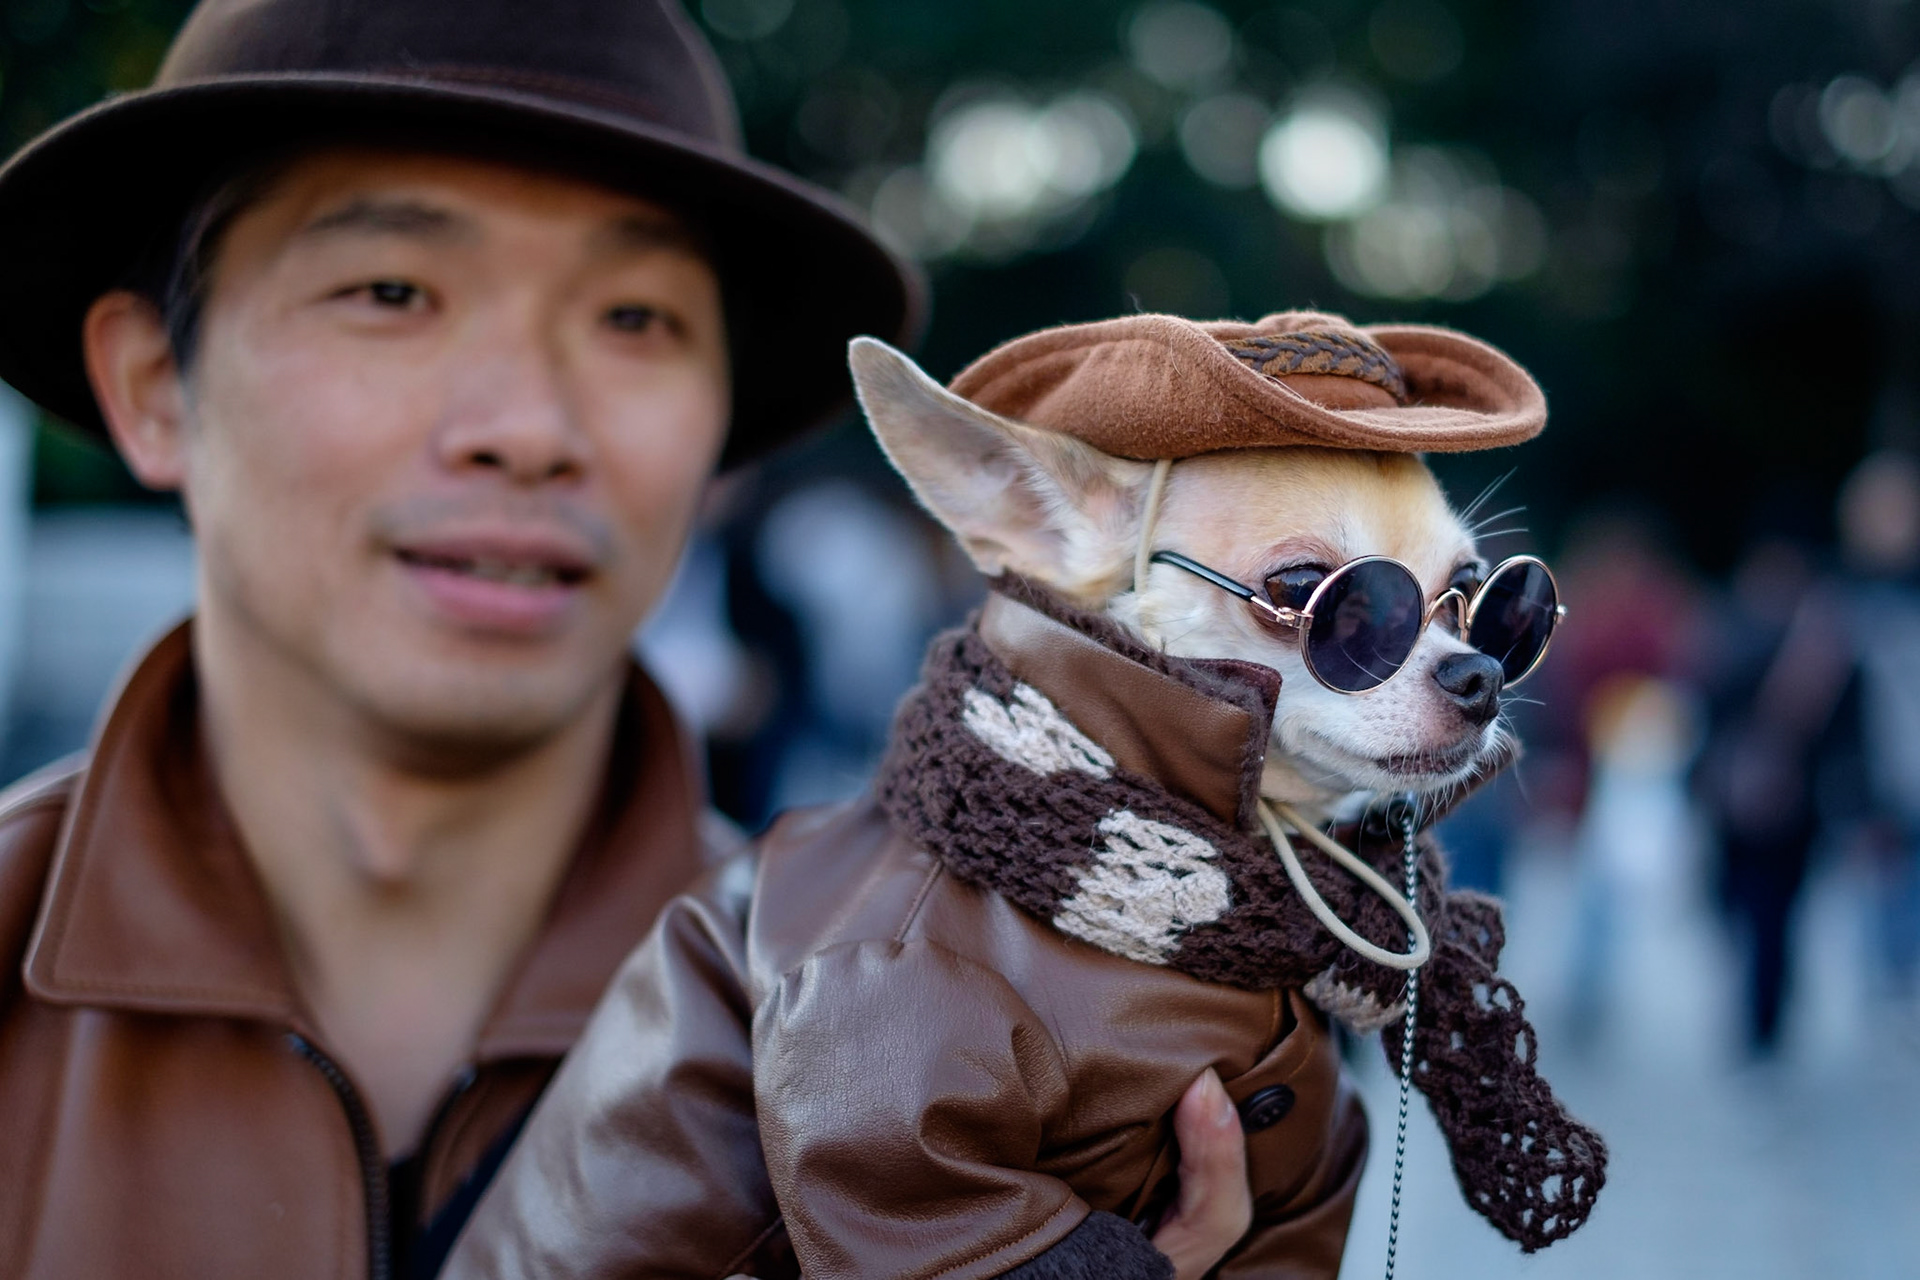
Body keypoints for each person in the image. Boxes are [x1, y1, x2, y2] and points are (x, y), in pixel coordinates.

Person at [0, 2, 1260, 1277]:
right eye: (392, 290)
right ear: (156, 385)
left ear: (718, 435)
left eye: (635, 320)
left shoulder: (964, 1070)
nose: (532, 424)